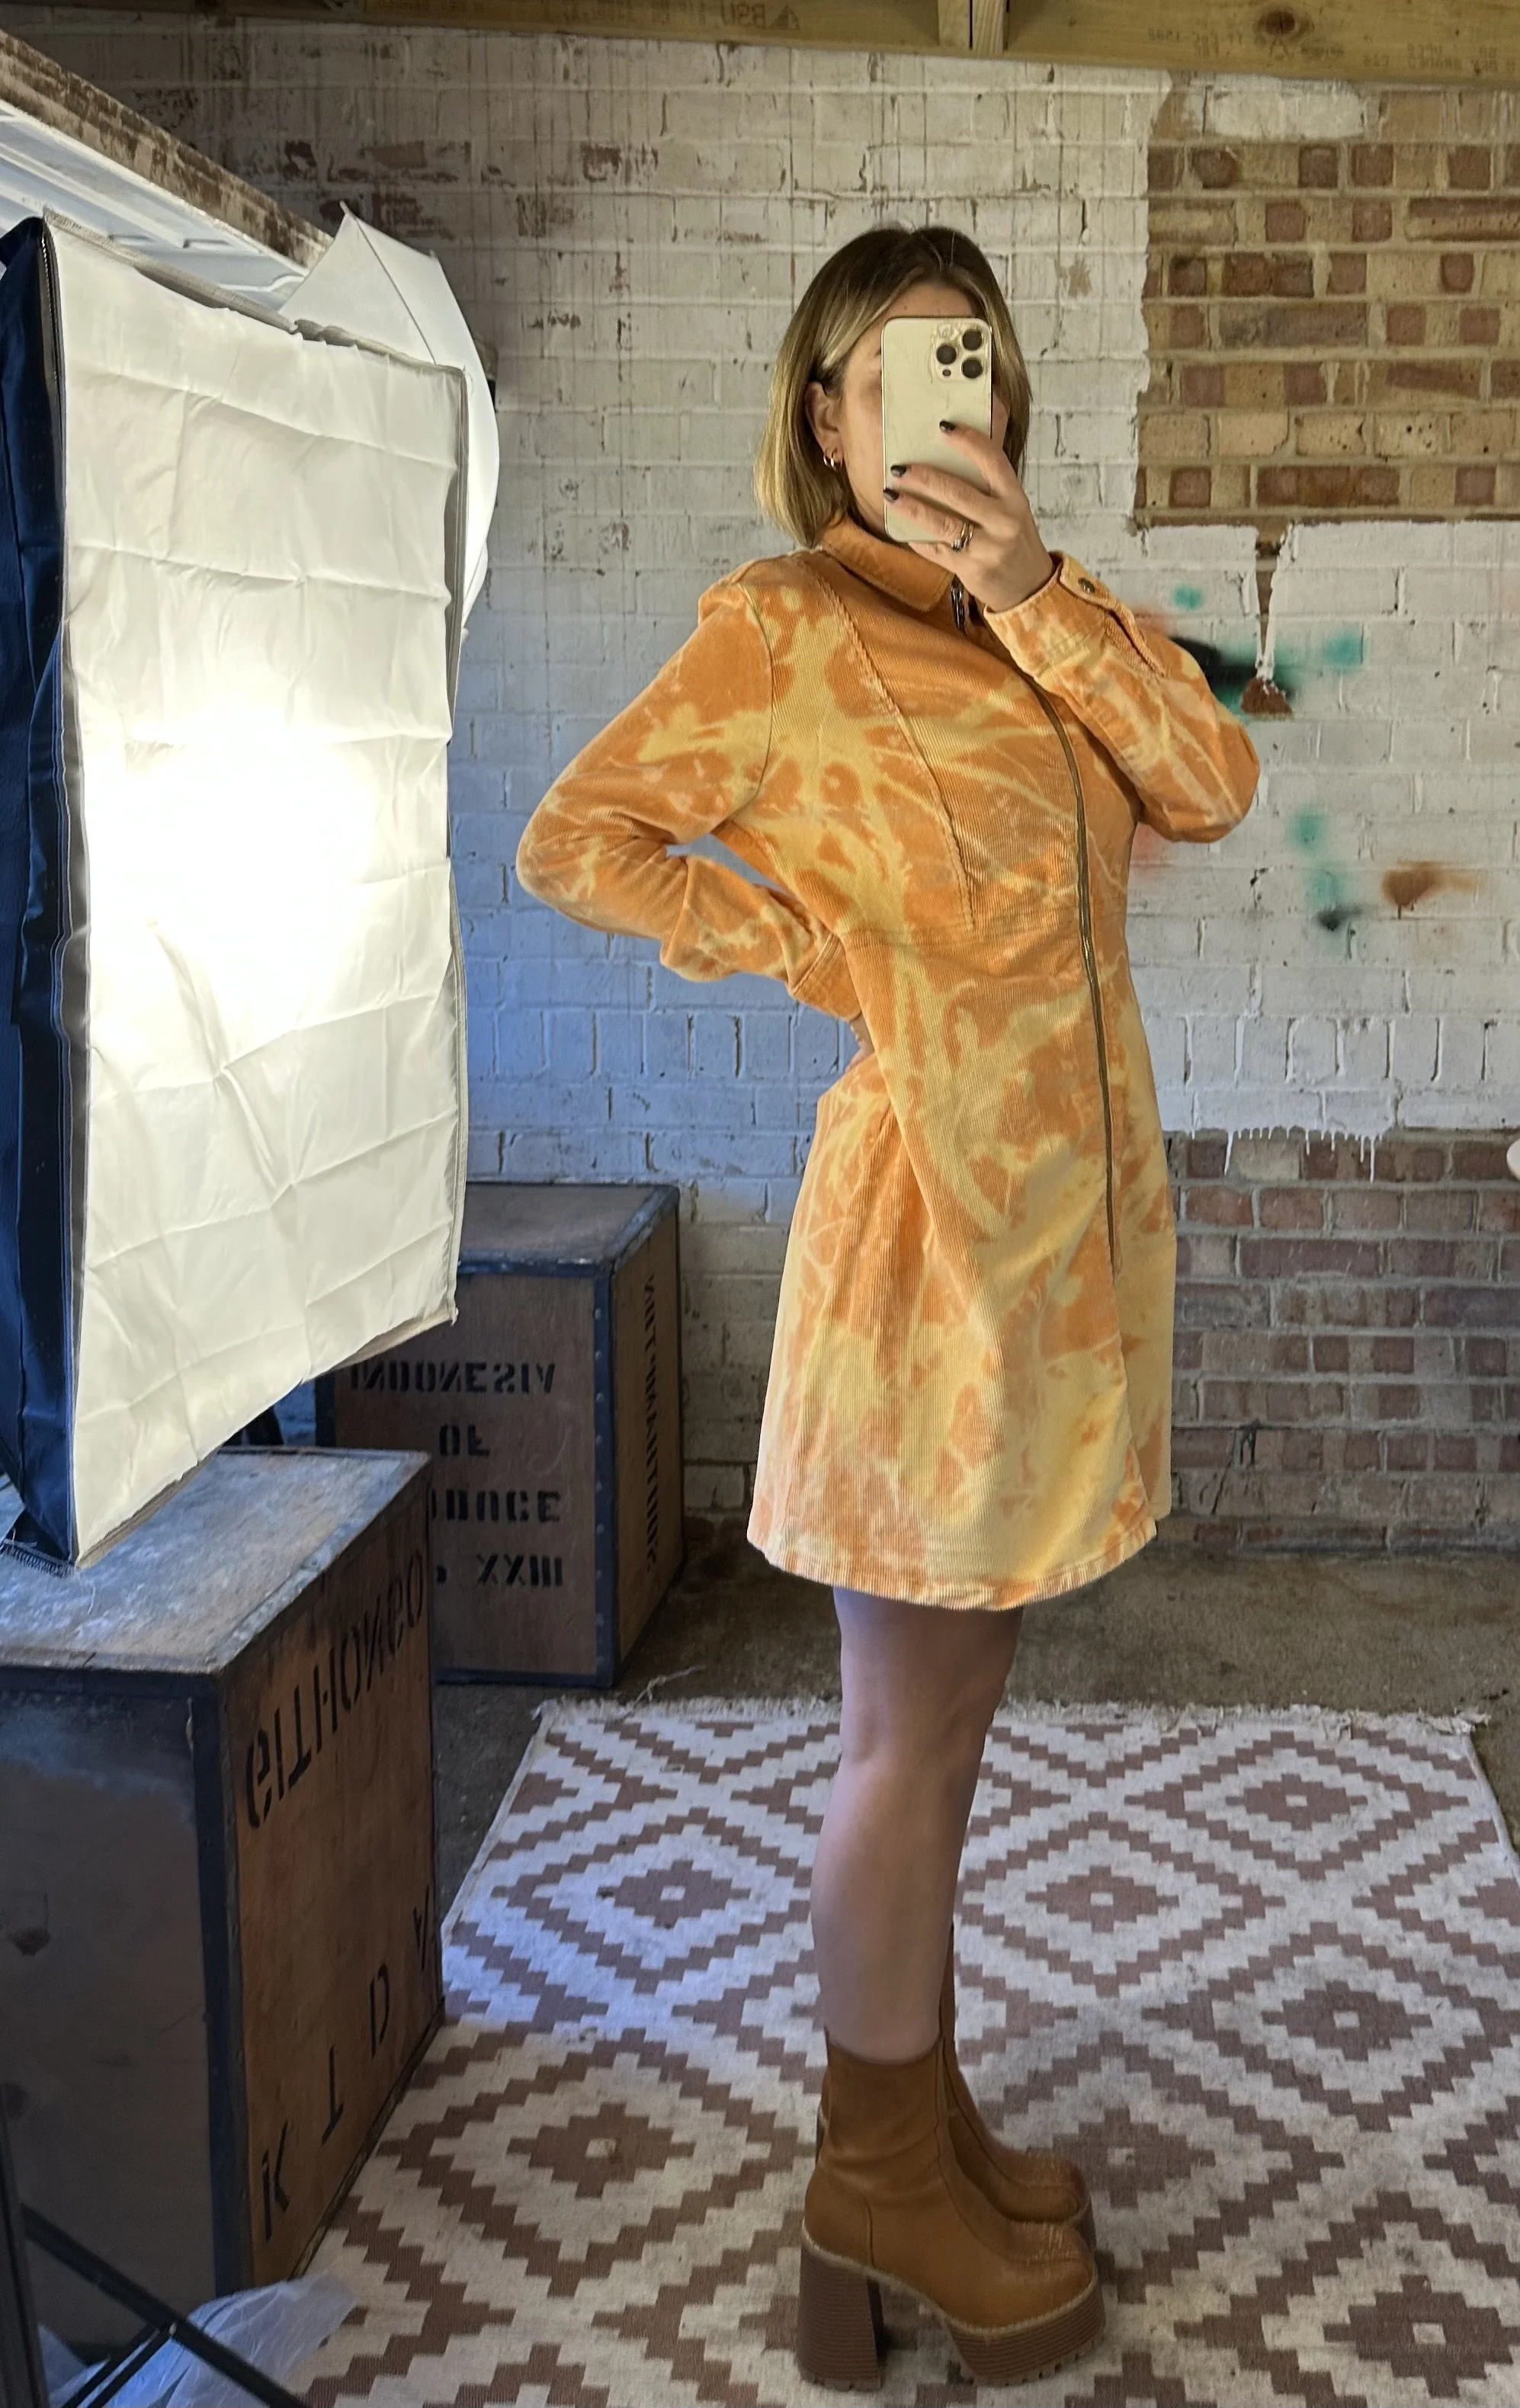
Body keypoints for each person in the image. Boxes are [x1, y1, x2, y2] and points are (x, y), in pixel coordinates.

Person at [515, 221, 1260, 2388]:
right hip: (930, 1255)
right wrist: (816, 953)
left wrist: (1037, 588)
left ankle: (917, 2128)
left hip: (1065, 1261)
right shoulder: (784, 628)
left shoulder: (1042, 624)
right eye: (907, 368)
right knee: (903, 1745)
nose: (961, 400)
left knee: (946, 1728)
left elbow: (1212, 785)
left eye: (982, 365)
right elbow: (583, 840)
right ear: (826, 414)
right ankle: (872, 2186)